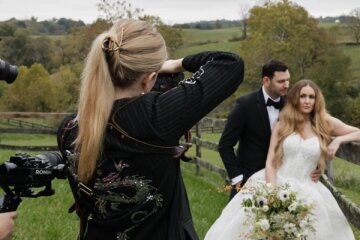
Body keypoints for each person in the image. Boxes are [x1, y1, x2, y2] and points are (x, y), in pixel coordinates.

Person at [57, 19, 244, 240]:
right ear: (150, 79)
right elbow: (230, 64)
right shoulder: (157, 116)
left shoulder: (69, 128)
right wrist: (177, 64)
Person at [205, 79, 359, 240]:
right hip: (276, 182)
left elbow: (358, 133)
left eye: (311, 97)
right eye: (303, 96)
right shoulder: (284, 123)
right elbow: (271, 161)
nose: (307, 101)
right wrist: (272, 194)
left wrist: (338, 140)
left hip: (309, 189)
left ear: (317, 99)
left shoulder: (325, 122)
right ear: (295, 99)